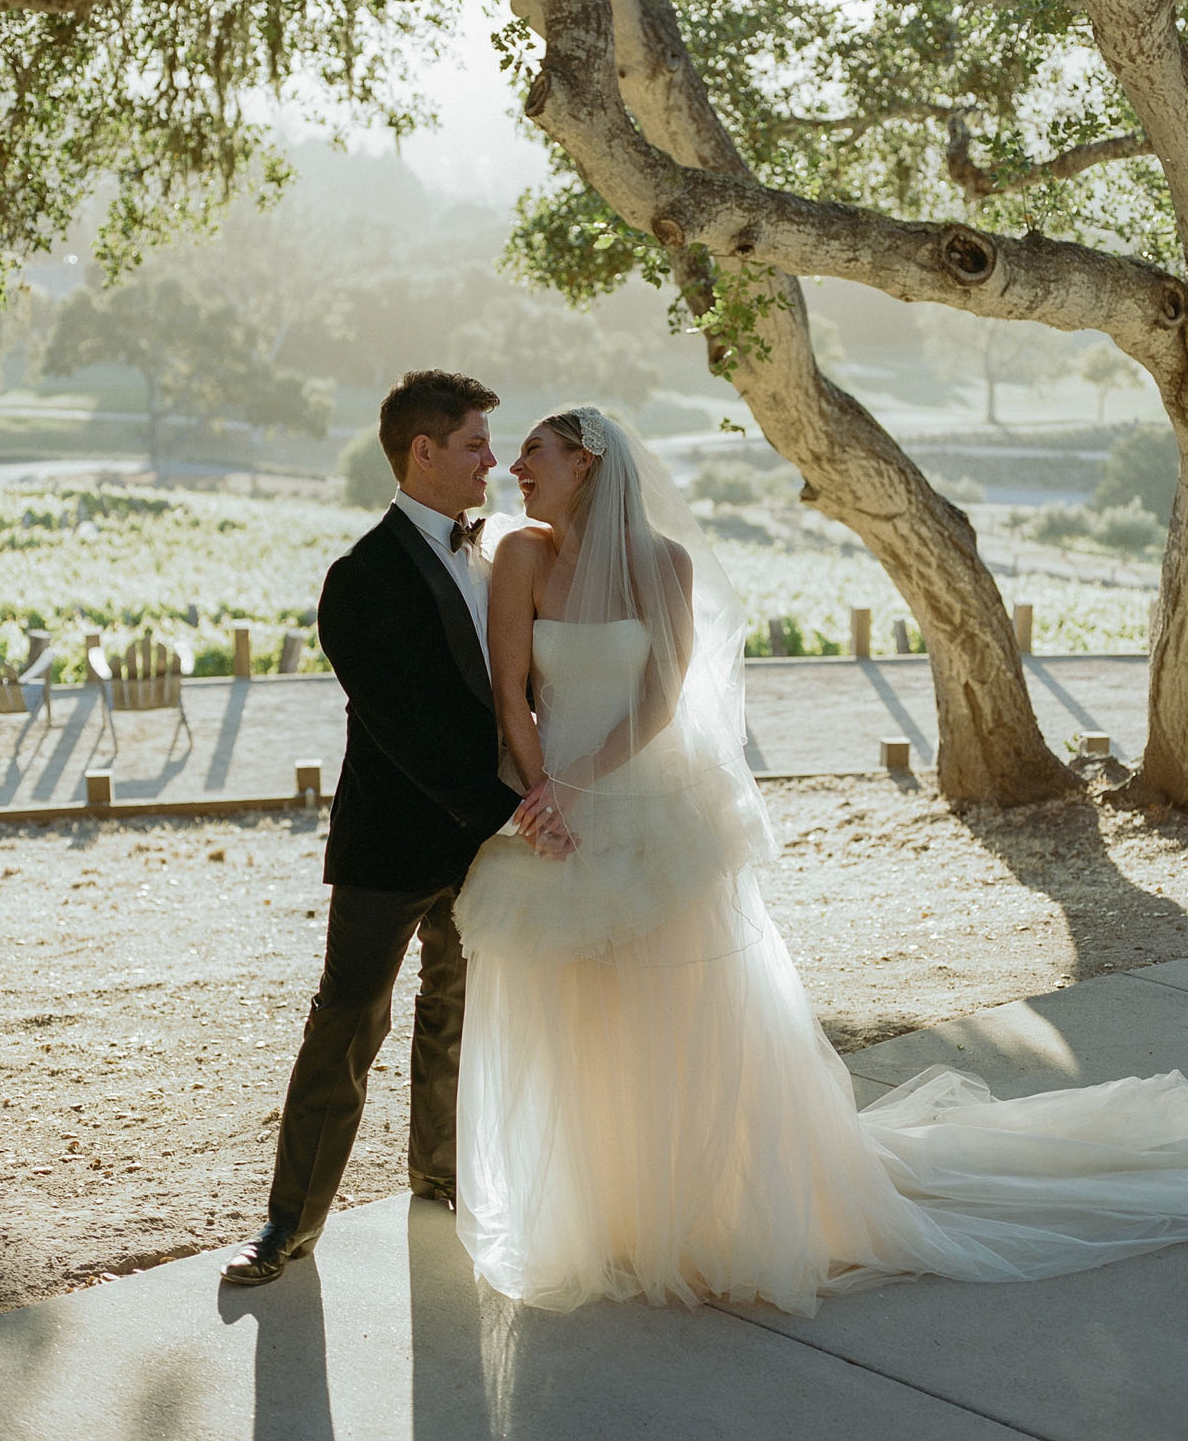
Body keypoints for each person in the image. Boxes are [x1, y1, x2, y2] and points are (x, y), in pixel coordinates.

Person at [453, 405, 1188, 1315]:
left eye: (534, 449)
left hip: (642, 800)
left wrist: (583, 786)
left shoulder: (665, 564)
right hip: (548, 804)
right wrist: (542, 795)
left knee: (669, 1010)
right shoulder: (519, 555)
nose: (516, 463)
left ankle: (687, 1206)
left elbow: (661, 698)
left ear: (587, 462)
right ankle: (596, 1211)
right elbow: (509, 691)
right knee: (570, 1014)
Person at [221, 369, 546, 1286]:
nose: (493, 460)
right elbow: (403, 726)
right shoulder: (360, 577)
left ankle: (442, 1178)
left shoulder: (502, 552)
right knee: (348, 1020)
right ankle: (287, 1223)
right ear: (425, 451)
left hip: (489, 843)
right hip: (393, 844)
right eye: (479, 443)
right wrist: (514, 811)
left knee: (459, 1015)